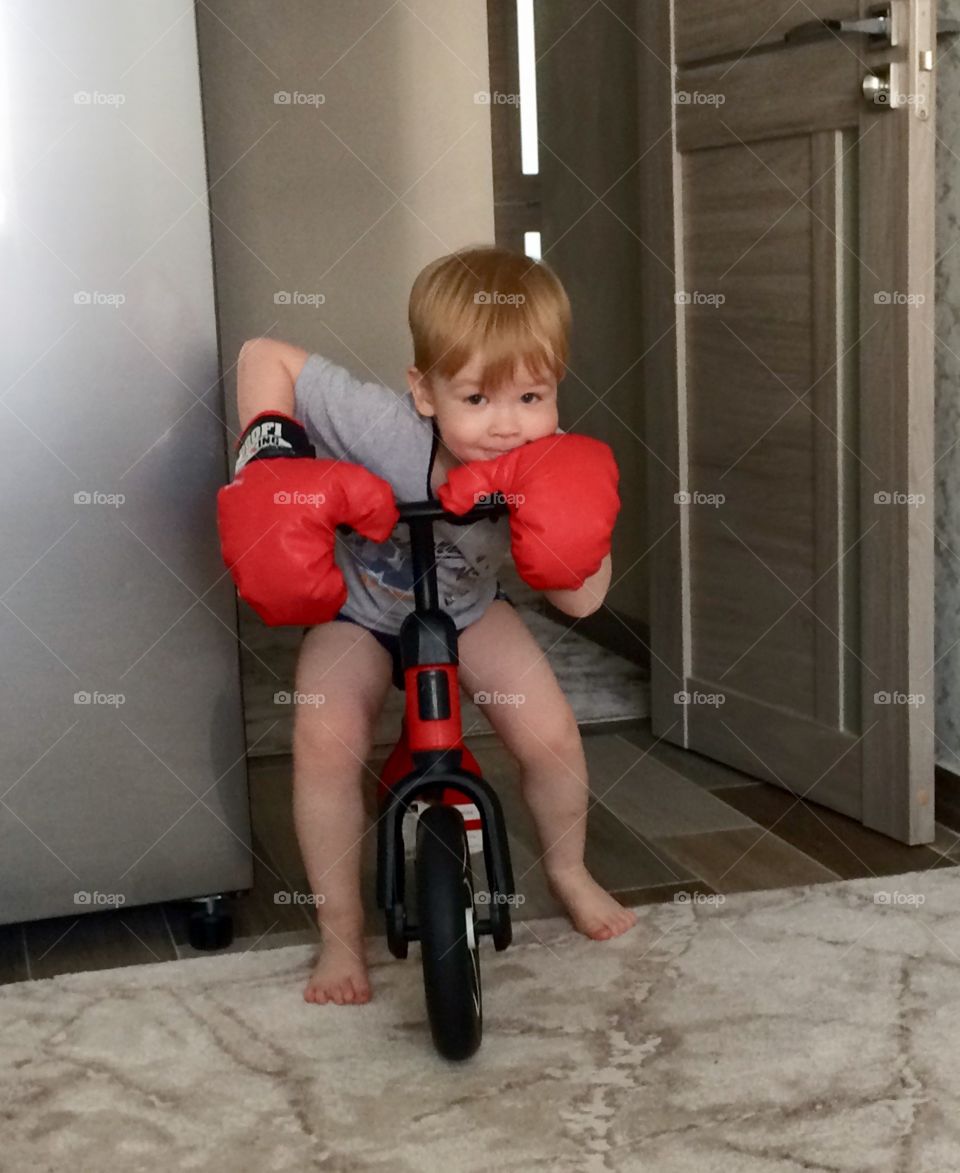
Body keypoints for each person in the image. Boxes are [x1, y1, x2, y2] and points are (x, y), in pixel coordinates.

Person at [218, 245, 637, 1007]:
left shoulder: (543, 460)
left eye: (532, 396)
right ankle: (341, 934)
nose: (508, 426)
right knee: (323, 735)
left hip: (473, 613)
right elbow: (263, 355)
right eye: (476, 399)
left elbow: (580, 605)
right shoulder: (381, 427)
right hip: (362, 612)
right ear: (424, 390)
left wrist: (578, 532)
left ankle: (570, 871)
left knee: (550, 734)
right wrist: (269, 454)